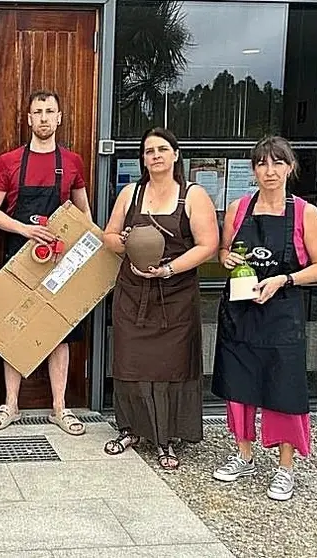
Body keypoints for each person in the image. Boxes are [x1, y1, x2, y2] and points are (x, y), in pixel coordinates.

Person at [211, 136, 317, 500]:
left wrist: (285, 279)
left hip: (281, 316)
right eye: (262, 164)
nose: (270, 171)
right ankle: (243, 455)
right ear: (254, 169)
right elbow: (224, 250)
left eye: (277, 163)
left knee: (283, 390)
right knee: (238, 388)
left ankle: (284, 468)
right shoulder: (239, 208)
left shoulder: (304, 213)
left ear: (290, 167)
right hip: (240, 312)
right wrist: (224, 257)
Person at [102, 127, 218, 470]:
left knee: (170, 367)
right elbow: (107, 235)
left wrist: (169, 270)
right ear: (143, 158)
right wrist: (125, 242)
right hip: (133, 292)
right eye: (149, 150)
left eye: (162, 149)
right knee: (130, 363)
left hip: (175, 295)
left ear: (175, 154)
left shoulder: (193, 195)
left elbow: (208, 245)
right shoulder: (130, 193)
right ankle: (131, 429)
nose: (155, 155)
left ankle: (166, 439)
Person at [0, 90, 93, 436]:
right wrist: (26, 230)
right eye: (37, 112)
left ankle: (60, 408)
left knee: (58, 331)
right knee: (14, 327)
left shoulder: (72, 162)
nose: (44, 118)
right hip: (19, 256)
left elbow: (83, 213)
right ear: (28, 119)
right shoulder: (9, 161)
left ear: (59, 118)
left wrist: (88, 252)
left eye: (50, 112)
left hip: (59, 259)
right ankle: (10, 404)